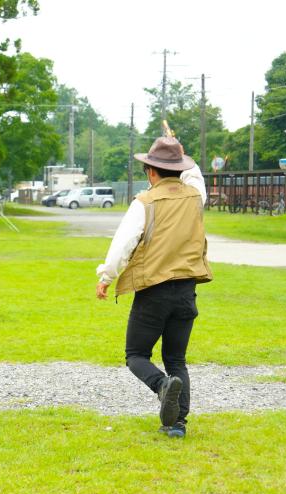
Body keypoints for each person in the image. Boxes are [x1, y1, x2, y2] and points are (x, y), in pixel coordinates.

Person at [95, 136, 213, 439]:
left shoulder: (144, 203)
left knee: (136, 354)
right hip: (187, 288)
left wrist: (106, 276)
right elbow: (195, 175)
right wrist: (183, 156)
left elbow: (123, 244)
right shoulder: (196, 196)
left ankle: (162, 386)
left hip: (153, 290)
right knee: (176, 359)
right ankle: (177, 424)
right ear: (180, 167)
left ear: (150, 171)